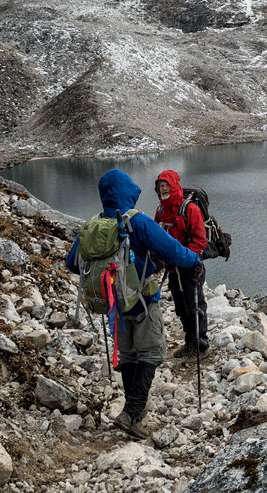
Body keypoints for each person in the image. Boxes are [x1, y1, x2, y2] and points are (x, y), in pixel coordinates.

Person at [65, 168, 201, 436]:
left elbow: (72, 263)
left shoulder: (93, 224)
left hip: (112, 303)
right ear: (129, 192)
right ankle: (132, 412)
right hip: (141, 299)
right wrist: (194, 260)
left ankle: (132, 413)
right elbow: (172, 250)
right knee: (150, 352)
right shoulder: (136, 221)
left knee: (128, 355)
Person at [153, 169, 209, 359]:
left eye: (166, 185)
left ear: (174, 186)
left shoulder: (190, 209)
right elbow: (156, 237)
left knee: (195, 304)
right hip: (172, 268)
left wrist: (185, 257)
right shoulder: (160, 211)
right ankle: (189, 341)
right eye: (160, 186)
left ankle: (201, 344)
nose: (163, 189)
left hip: (190, 266)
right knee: (180, 304)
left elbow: (200, 240)